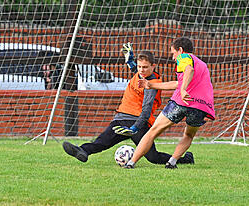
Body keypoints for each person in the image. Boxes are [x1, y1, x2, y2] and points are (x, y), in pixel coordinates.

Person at [62, 43, 194, 165]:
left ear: (153, 66)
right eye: (140, 66)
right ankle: (82, 151)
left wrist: (135, 128)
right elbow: (135, 71)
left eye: (145, 67)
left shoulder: (152, 84)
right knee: (102, 142)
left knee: (153, 157)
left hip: (137, 123)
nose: (141, 70)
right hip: (121, 120)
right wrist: (129, 60)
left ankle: (184, 160)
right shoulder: (140, 74)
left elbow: (147, 110)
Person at [125, 37, 215, 169]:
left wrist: (184, 90)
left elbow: (189, 71)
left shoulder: (184, 57)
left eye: (173, 53)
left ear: (180, 50)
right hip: (200, 107)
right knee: (189, 135)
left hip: (181, 102)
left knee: (152, 132)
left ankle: (130, 163)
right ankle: (172, 162)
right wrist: (151, 85)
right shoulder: (202, 64)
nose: (173, 57)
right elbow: (178, 84)